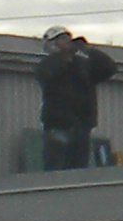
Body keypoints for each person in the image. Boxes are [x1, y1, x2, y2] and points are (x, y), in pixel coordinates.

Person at [35, 27, 118, 170]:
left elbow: (109, 68)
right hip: (58, 125)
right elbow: (51, 74)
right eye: (62, 39)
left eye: (68, 39)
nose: (67, 42)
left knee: (78, 168)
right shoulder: (45, 65)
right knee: (56, 167)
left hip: (82, 125)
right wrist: (64, 55)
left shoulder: (82, 66)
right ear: (52, 44)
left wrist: (89, 50)